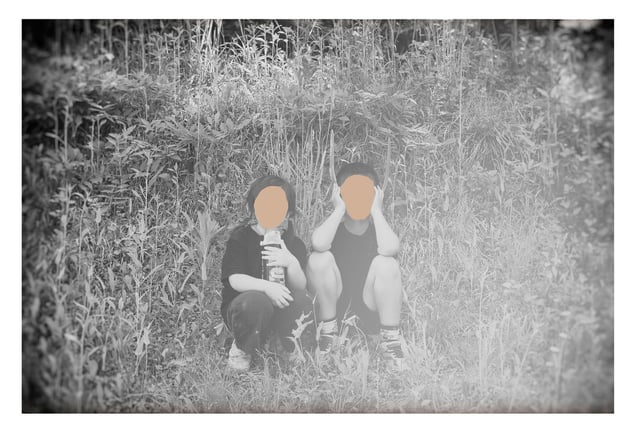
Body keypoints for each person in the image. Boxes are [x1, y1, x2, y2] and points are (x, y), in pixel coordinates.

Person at [306, 162, 406, 370]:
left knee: (387, 263)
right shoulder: (333, 230)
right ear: (340, 195)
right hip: (334, 307)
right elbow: (319, 243)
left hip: (370, 306)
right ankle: (328, 336)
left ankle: (390, 341)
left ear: (376, 196)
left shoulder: (379, 230)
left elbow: (390, 248)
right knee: (318, 258)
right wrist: (339, 210)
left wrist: (377, 211)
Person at [220, 175, 313, 372]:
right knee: (254, 302)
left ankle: (284, 342)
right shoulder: (241, 238)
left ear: (288, 212)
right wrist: (267, 287)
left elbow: (300, 286)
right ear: (253, 208)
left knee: (303, 299)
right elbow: (235, 279)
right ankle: (241, 347)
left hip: (281, 309)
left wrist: (291, 262)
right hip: (246, 310)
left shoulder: (293, 243)